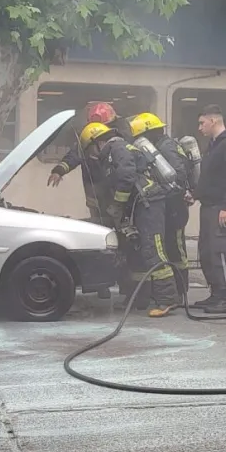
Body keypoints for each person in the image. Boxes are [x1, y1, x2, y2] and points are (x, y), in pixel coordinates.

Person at [79, 121, 180, 318]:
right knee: (137, 251)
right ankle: (139, 298)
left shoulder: (116, 147)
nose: (91, 154)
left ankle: (168, 299)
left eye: (90, 148)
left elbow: (126, 176)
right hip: (139, 204)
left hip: (150, 203)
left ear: (97, 141)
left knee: (153, 249)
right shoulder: (111, 153)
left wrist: (117, 204)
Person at [127, 112, 192, 292]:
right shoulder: (163, 145)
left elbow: (178, 175)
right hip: (170, 204)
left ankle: (180, 292)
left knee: (176, 249)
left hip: (175, 205)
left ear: (150, 132)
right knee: (169, 246)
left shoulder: (166, 147)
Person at [190, 104, 226, 314]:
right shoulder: (213, 145)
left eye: (202, 123)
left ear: (213, 120)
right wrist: (194, 195)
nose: (200, 127)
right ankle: (215, 295)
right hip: (209, 207)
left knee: (221, 252)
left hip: (222, 210)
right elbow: (209, 178)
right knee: (207, 253)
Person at [47, 102, 131, 227]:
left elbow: (126, 172)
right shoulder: (92, 137)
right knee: (98, 226)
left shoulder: (122, 140)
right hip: (95, 194)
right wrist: (60, 170)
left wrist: (119, 202)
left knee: (121, 224)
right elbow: (77, 153)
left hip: (117, 195)